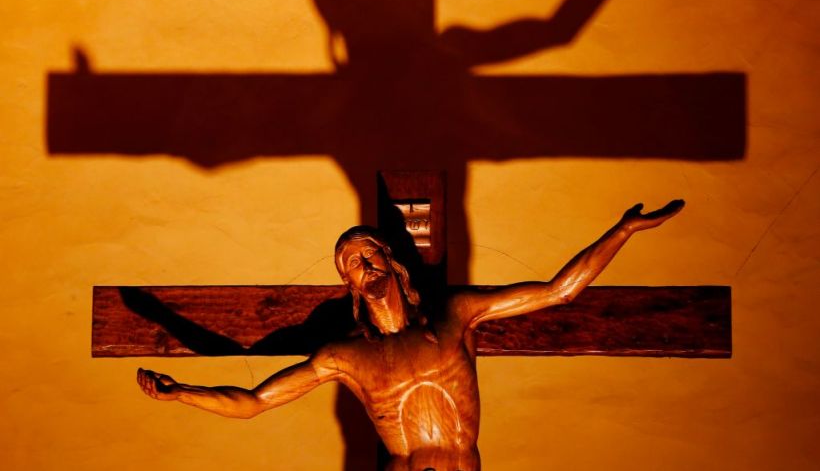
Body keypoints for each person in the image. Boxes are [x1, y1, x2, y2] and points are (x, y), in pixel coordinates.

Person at [138, 200, 684, 471]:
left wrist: (623, 230)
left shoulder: (455, 315)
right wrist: (181, 393)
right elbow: (256, 401)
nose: (363, 267)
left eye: (368, 255)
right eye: (351, 266)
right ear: (349, 285)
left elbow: (559, 291)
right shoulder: (346, 356)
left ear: (390, 260)